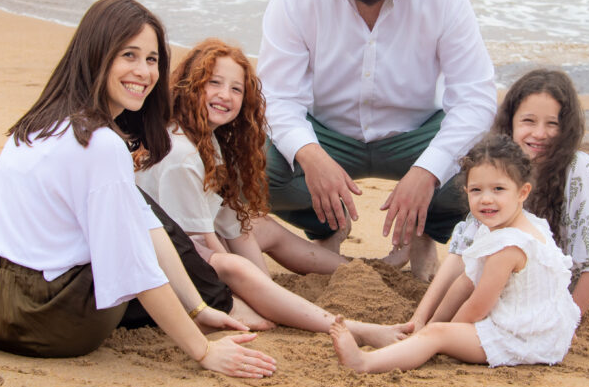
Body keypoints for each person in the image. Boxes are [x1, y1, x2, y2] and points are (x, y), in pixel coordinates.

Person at [0, 0, 276, 379]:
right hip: (39, 322)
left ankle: (208, 302)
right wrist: (202, 352)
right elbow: (135, 268)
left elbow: (144, 225)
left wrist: (197, 307)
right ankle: (217, 304)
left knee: (134, 202)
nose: (145, 72)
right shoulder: (101, 145)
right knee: (132, 214)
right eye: (129, 55)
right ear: (97, 54)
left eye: (152, 60)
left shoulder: (44, 118)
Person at [258, 0, 497, 280]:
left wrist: (427, 172)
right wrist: (312, 157)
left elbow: (475, 99)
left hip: (415, 132)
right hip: (327, 135)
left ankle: (424, 233)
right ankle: (328, 224)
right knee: (250, 169)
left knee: (488, 169)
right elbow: (276, 97)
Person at [135, 38, 411, 348]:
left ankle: (360, 269)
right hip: (167, 263)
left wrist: (264, 286)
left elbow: (229, 222)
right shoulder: (183, 156)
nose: (225, 95)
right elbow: (197, 244)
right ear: (190, 86)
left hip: (191, 243)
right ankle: (354, 329)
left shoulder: (208, 141)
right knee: (235, 267)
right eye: (213, 83)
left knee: (257, 224)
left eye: (236, 89)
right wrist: (244, 293)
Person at [411, 69, 589, 325]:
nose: (539, 133)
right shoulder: (500, 168)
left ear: (567, 127)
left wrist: (569, 322)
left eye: (552, 124)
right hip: (533, 283)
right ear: (511, 123)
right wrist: (419, 318)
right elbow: (461, 252)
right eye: (528, 121)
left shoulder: (581, 170)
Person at [329, 133, 580, 373]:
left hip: (522, 339)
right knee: (433, 329)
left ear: (522, 192)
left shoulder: (509, 246)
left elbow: (477, 307)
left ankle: (363, 362)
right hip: (533, 325)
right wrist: (429, 322)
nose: (486, 200)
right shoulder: (509, 224)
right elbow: (465, 281)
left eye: (498, 189)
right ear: (466, 191)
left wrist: (444, 333)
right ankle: (421, 337)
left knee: (436, 336)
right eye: (476, 190)